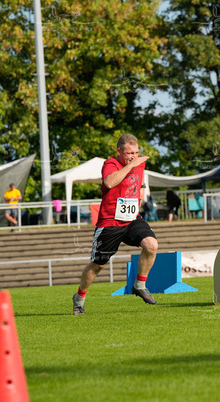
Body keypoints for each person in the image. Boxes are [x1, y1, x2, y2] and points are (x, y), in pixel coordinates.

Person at [72, 134, 158, 315]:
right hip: (110, 222)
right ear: (119, 151)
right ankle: (79, 298)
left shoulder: (139, 163)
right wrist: (131, 166)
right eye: (129, 153)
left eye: (136, 153)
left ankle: (139, 285)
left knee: (151, 245)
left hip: (132, 218)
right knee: (98, 265)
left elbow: (140, 179)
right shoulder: (110, 164)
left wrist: (141, 191)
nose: (133, 157)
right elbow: (110, 182)